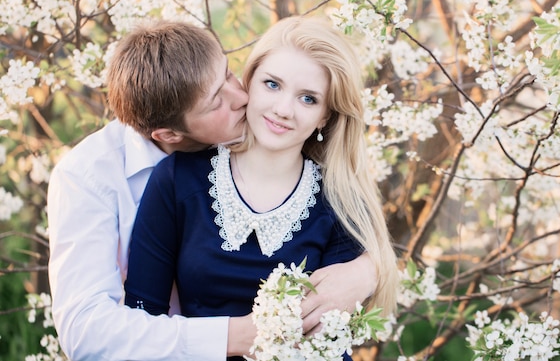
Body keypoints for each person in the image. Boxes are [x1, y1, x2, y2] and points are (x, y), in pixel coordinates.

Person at [47, 20, 378, 361]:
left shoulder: (323, 185)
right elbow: (85, 331)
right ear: (170, 135)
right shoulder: (94, 176)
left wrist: (370, 269)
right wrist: (237, 335)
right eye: (216, 101)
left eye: (230, 75)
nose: (242, 98)